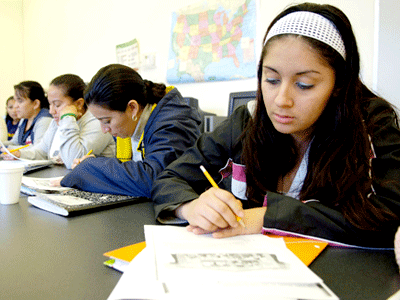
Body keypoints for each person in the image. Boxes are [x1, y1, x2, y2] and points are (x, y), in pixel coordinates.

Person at [151, 3, 400, 248]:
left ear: (338, 84)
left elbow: (390, 216)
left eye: (304, 85)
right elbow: (171, 177)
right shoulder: (245, 121)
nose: (281, 100)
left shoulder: (370, 121)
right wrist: (189, 208)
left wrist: (266, 217)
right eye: (271, 80)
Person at [58, 64, 201, 197]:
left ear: (132, 107)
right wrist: (96, 168)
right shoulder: (133, 124)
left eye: (107, 121)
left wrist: (91, 169)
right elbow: (132, 169)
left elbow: (157, 179)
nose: (104, 130)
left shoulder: (172, 122)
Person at [1, 74, 116, 169]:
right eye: (50, 104)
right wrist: (19, 154)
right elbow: (42, 150)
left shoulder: (97, 122)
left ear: (79, 104)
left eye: (57, 105)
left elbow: (73, 160)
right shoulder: (57, 121)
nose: (51, 111)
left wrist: (68, 117)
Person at [4, 81, 52, 146]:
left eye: (20, 101)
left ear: (35, 104)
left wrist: (12, 151)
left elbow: (38, 151)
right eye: (15, 101)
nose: (15, 106)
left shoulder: (45, 120)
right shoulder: (24, 118)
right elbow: (14, 142)